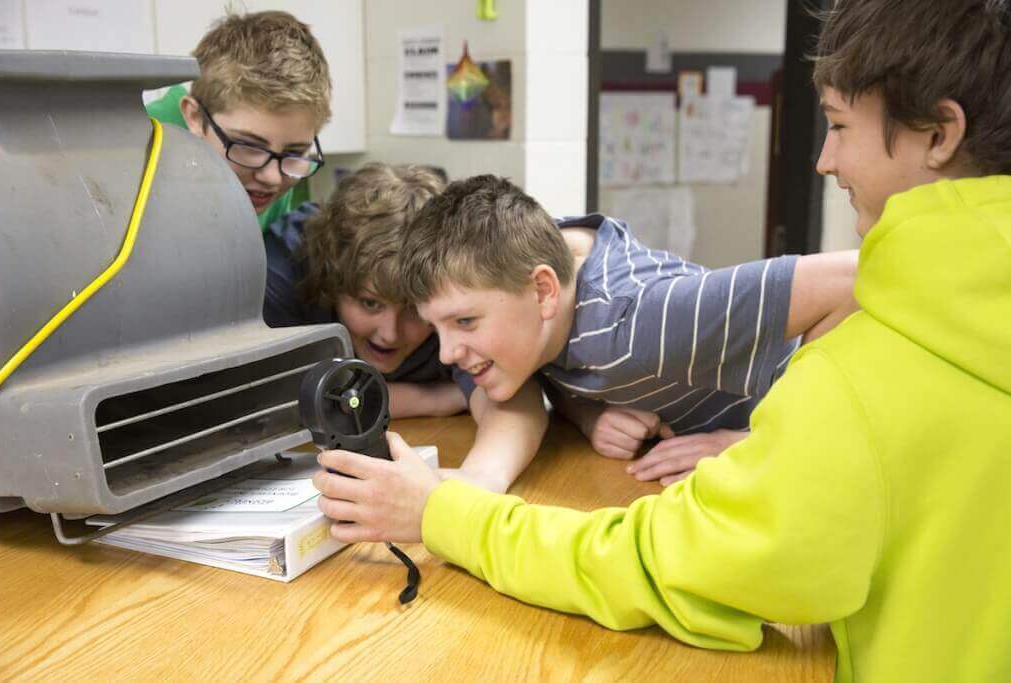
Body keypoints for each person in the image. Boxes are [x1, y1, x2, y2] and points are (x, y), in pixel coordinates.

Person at [312, 0, 1011, 679]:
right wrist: (588, 412)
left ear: (939, 134)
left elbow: (653, 562)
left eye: (838, 125)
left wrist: (440, 511)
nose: (825, 160)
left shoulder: (813, 371)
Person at [382, 173, 856, 485]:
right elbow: (548, 369)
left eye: (465, 322)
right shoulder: (524, 279)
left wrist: (757, 442)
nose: (446, 354)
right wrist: (587, 413)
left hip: (825, 449)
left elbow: (862, 277)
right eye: (437, 328)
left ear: (544, 292)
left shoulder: (639, 319)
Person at [270, 163, 548, 493]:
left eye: (414, 311)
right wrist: (434, 399)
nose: (390, 333)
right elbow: (268, 402)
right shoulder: (283, 272)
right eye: (369, 303)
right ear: (331, 284)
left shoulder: (456, 294)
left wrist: (480, 480)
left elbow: (516, 399)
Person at [146, 10, 330, 231]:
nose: (272, 178)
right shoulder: (133, 150)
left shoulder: (280, 172)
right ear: (195, 118)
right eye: (250, 147)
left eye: (294, 152)